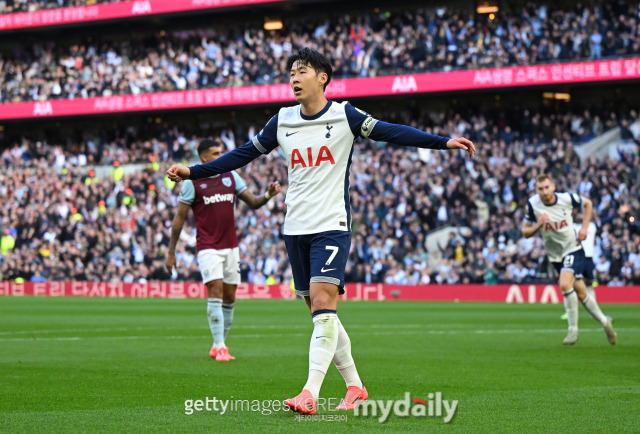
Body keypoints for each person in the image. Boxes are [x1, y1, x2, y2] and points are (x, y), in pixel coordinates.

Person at [167, 48, 476, 414]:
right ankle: (356, 387)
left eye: (302, 71)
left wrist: (442, 142)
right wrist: (193, 171)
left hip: (331, 224)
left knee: (324, 305)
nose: (294, 78)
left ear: (322, 77)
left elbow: (390, 132)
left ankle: (309, 392)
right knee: (319, 311)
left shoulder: (345, 115)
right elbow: (240, 155)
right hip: (295, 227)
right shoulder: (282, 120)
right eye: (291, 73)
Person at [166, 139, 281, 362]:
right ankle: (220, 346)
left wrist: (267, 195)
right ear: (204, 158)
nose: (221, 156)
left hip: (231, 246)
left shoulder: (230, 176)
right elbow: (179, 219)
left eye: (221, 152)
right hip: (207, 246)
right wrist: (171, 251)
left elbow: (254, 203)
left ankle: (219, 343)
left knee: (229, 296)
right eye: (216, 153)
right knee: (216, 291)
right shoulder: (192, 180)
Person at [522, 174, 616, 345]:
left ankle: (572, 331)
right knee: (580, 292)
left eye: (547, 187)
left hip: (573, 248)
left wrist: (585, 228)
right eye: (540, 189)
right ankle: (604, 321)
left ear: (553, 187)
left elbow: (587, 203)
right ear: (536, 190)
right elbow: (525, 232)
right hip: (554, 255)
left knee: (565, 284)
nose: (544, 192)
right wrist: (538, 224)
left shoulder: (566, 199)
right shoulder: (532, 204)